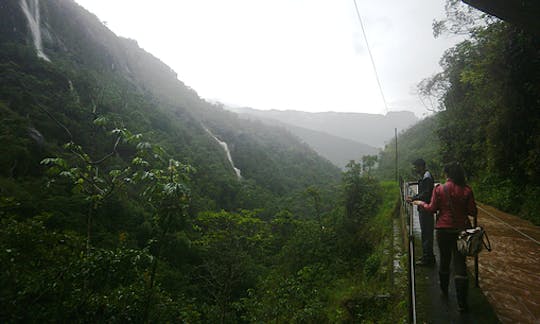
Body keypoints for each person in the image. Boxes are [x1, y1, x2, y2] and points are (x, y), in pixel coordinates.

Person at [413, 162, 477, 312]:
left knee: (445, 260)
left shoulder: (439, 189)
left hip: (443, 230)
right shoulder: (467, 190)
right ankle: (462, 303)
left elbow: (432, 209)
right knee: (460, 263)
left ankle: (444, 291)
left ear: (447, 174)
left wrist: (421, 203)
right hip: (461, 232)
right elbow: (473, 212)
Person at [407, 158, 435, 266]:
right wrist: (414, 198)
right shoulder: (425, 176)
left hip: (426, 209)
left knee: (426, 233)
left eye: (416, 167)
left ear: (421, 166)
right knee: (426, 233)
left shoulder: (427, 178)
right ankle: (428, 256)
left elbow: (426, 194)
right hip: (424, 208)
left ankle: (428, 259)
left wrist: (414, 199)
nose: (415, 169)